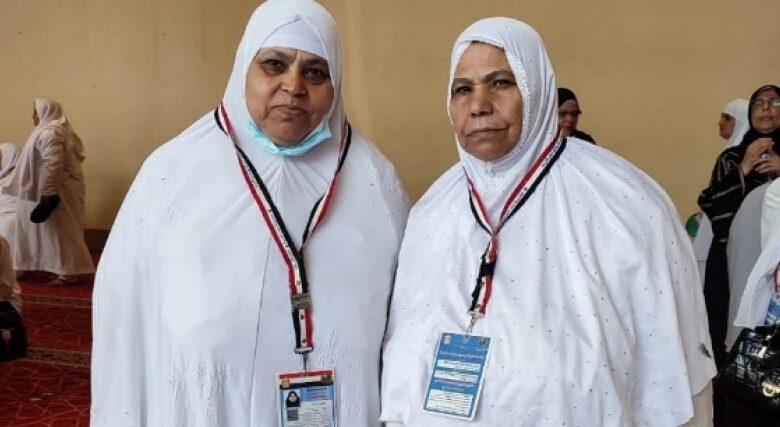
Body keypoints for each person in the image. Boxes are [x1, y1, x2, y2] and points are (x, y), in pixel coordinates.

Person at [380, 17, 715, 427]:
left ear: (537, 88)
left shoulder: (624, 204)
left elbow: (676, 379)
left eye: (500, 82)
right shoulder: (432, 211)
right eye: (462, 89)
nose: (479, 104)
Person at [90, 0, 408, 425]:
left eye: (316, 72)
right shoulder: (171, 175)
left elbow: (407, 321)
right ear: (244, 68)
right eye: (274, 64)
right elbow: (123, 325)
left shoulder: (375, 181)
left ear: (336, 83)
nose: (293, 85)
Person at [698, 85, 780, 367]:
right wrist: (743, 169)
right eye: (758, 103)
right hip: (733, 259)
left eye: (775, 102)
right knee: (729, 329)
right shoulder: (732, 158)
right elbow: (714, 207)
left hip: (776, 262)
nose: (766, 108)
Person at [1, 99, 94, 286]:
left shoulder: (50, 134)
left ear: (46, 112)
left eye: (35, 112)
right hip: (42, 190)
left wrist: (47, 193)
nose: (33, 116)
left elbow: (54, 165)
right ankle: (31, 266)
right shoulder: (46, 132)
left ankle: (68, 273)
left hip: (57, 192)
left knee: (60, 231)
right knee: (37, 230)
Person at [693, 99, 750, 283]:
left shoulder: (738, 157)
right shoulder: (728, 154)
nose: (720, 122)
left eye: (727, 117)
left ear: (742, 120)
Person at [0, 143, 20, 245]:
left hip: (12, 217)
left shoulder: (21, 178)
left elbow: (14, 202)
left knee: (6, 225)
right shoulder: (2, 177)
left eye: (0, 157)